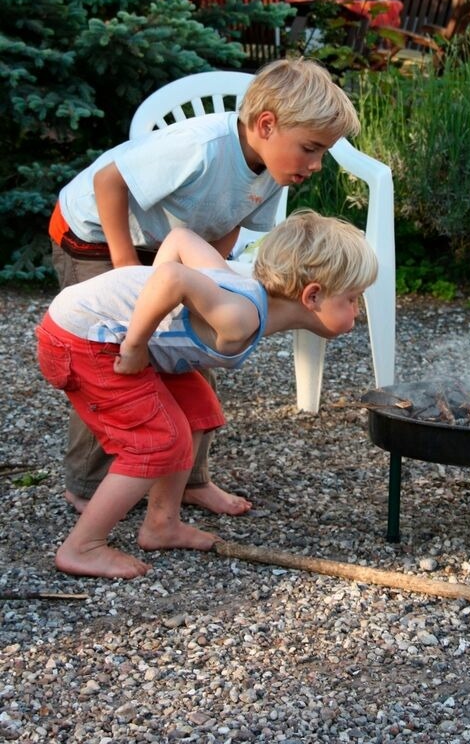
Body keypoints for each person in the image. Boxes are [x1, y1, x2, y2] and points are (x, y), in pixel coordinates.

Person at [48, 58, 361, 517]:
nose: (315, 165)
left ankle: (189, 481)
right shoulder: (201, 146)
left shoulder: (274, 170)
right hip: (96, 235)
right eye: (310, 149)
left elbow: (229, 224)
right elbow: (108, 181)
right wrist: (125, 267)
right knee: (111, 359)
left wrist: (216, 286)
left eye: (322, 154)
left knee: (196, 350)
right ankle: (89, 485)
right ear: (267, 125)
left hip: (166, 247)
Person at [36, 212, 378, 580]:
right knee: (156, 441)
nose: (357, 312)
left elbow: (181, 239)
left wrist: (158, 315)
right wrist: (136, 343)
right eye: (352, 299)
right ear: (313, 296)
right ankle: (83, 546)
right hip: (85, 339)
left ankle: (162, 524)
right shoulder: (239, 317)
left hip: (99, 333)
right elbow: (171, 277)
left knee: (196, 410)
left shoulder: (238, 286)